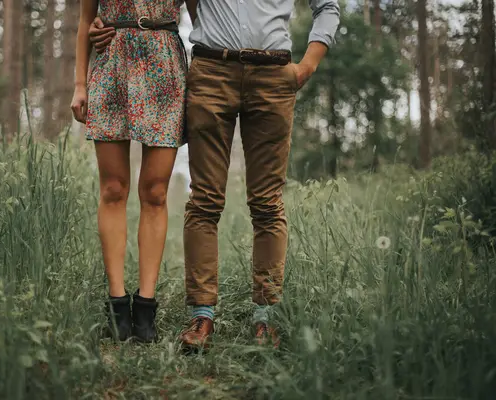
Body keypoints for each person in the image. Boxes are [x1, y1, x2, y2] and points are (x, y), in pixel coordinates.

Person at [91, 0, 340, 350]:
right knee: (205, 200)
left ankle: (265, 318)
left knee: (267, 203)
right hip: (211, 71)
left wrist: (308, 65)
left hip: (273, 75)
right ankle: (202, 316)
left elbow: (327, 6)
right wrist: (107, 23)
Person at [70, 0, 188, 343]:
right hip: (111, 65)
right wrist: (80, 84)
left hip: (165, 67)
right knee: (113, 189)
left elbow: (202, 17)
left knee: (155, 191)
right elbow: (85, 20)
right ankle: (117, 305)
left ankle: (146, 306)